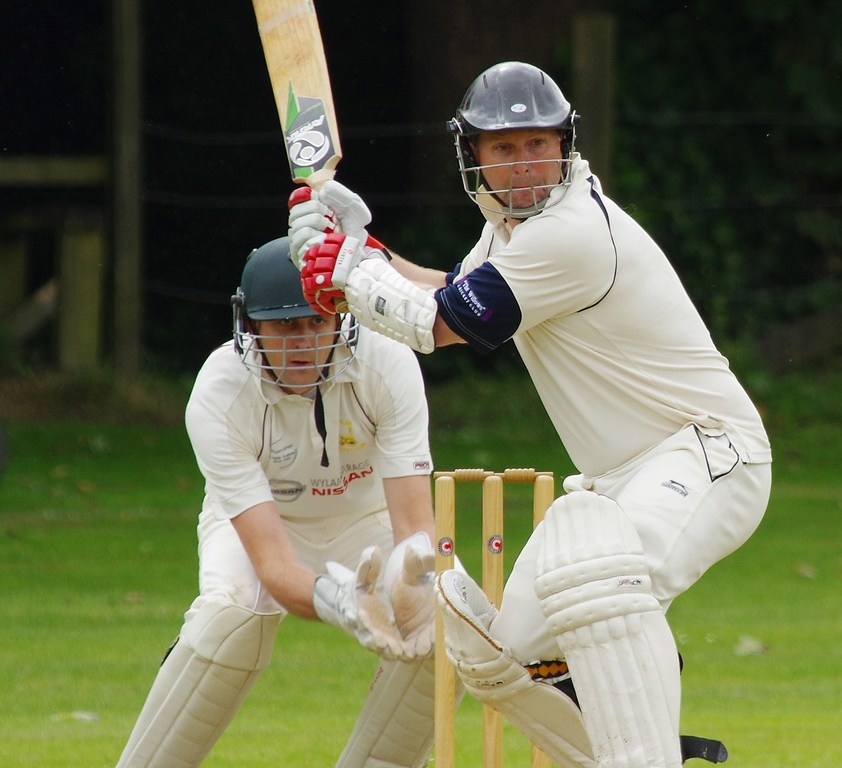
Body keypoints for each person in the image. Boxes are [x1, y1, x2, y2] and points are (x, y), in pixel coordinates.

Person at [287, 60, 771, 768]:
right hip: (617, 479)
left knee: (603, 584)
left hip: (705, 453)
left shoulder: (571, 232)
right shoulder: (509, 233)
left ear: (564, 145)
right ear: (474, 155)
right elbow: (451, 290)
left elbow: (437, 325)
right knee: (504, 659)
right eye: (504, 148)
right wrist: (366, 251)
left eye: (537, 144)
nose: (523, 163)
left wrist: (345, 273)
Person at [116, 237, 449, 768]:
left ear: (342, 316)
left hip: (366, 519)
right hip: (260, 522)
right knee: (230, 621)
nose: (303, 343)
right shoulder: (219, 392)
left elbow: (414, 526)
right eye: (285, 325)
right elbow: (272, 565)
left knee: (446, 619)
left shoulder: (386, 362)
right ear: (249, 325)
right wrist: (340, 604)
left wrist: (414, 586)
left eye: (316, 322)